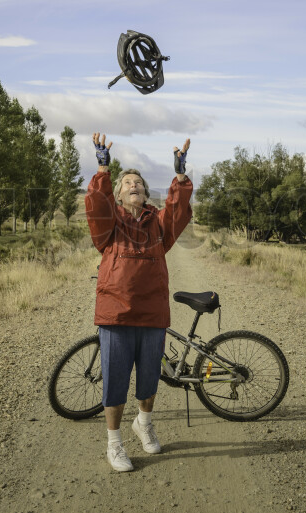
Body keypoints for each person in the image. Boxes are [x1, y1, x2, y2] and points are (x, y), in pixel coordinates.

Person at [85, 133, 193, 472]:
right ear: (118, 193)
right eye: (127, 182)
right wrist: (103, 168)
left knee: (148, 380)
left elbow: (177, 211)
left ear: (145, 192)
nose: (134, 185)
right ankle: (114, 443)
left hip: (152, 314)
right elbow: (96, 204)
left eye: (138, 182)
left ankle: (144, 424)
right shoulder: (109, 225)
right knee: (115, 382)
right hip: (115, 314)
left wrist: (179, 177)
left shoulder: (158, 224)